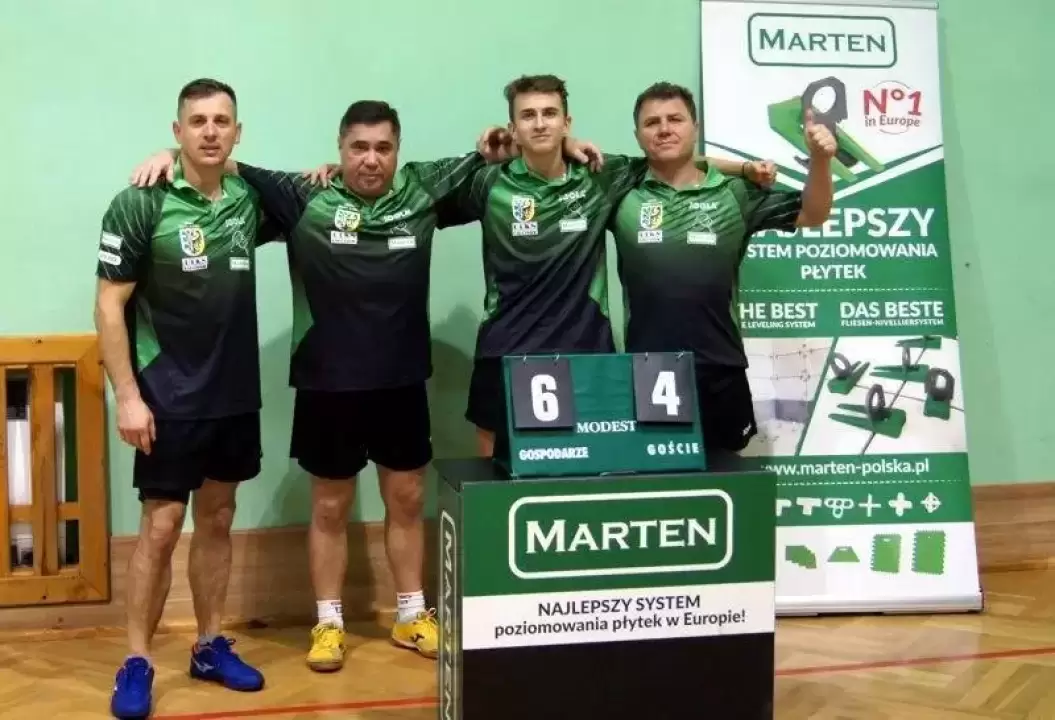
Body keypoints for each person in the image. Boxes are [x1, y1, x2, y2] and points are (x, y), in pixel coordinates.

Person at [126, 100, 596, 673]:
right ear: (340, 149)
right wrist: (169, 154)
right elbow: (220, 160)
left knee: (407, 499)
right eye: (359, 148)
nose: (371, 159)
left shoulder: (423, 188)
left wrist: (560, 143)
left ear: (397, 152)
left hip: (402, 380)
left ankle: (411, 614)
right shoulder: (304, 195)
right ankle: (328, 622)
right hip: (328, 384)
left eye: (383, 148)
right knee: (330, 505)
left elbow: (504, 156)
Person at [434, 74, 773, 458]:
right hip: (504, 350)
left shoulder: (600, 175)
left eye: (550, 113)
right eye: (528, 116)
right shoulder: (488, 182)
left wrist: (742, 169)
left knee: (591, 471)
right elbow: (424, 202)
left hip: (588, 353)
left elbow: (670, 157)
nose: (540, 123)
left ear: (567, 122)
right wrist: (490, 153)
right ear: (513, 128)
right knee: (493, 476)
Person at [97, 78, 277, 720]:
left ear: (237, 133)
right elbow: (109, 306)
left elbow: (315, 191)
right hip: (166, 396)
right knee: (162, 525)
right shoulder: (140, 202)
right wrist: (127, 396)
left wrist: (327, 169)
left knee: (219, 517)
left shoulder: (250, 201)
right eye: (197, 121)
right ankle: (137, 660)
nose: (209, 130)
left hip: (233, 394)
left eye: (221, 121)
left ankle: (208, 645)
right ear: (177, 131)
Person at [608, 81, 835, 454]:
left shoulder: (735, 193)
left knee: (725, 479)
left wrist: (821, 161)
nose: (664, 129)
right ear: (637, 136)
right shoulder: (622, 188)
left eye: (675, 119)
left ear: (695, 128)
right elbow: (561, 151)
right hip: (648, 368)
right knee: (656, 480)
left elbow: (814, 213)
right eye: (652, 123)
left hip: (720, 367)